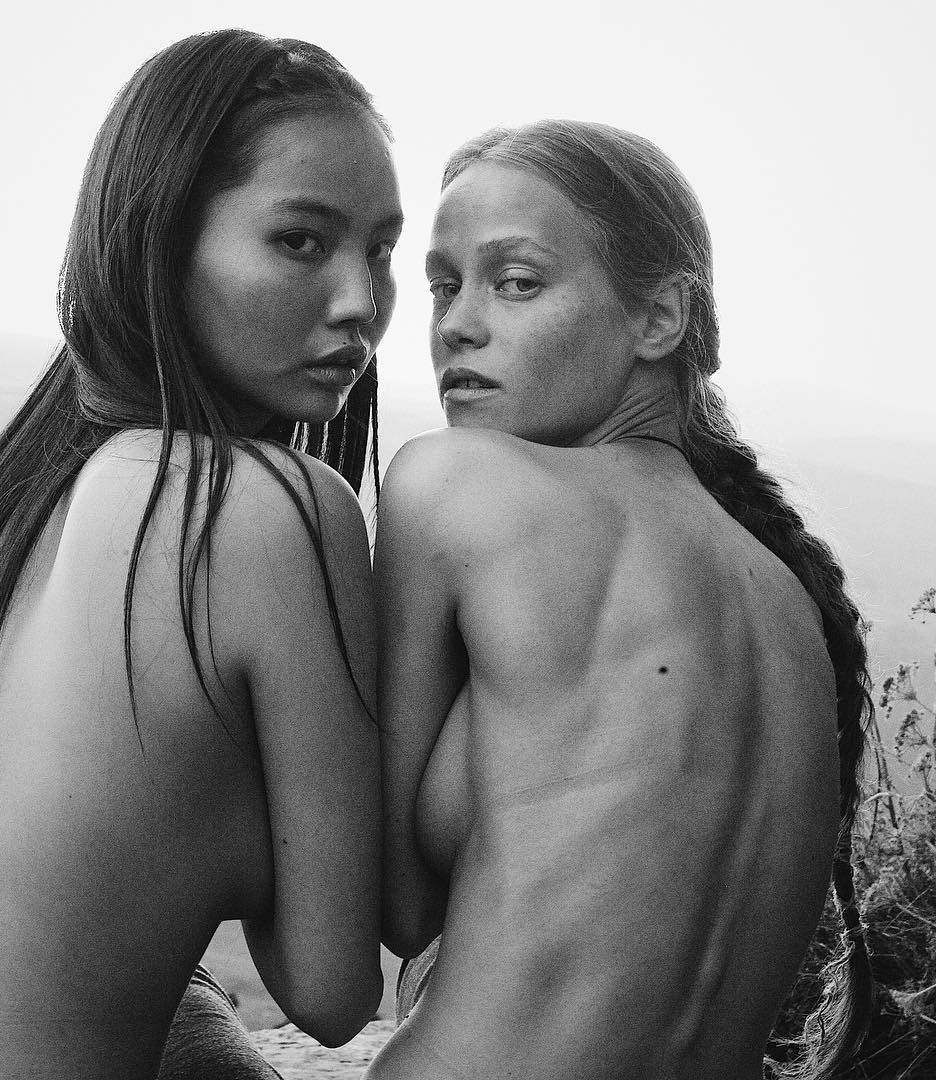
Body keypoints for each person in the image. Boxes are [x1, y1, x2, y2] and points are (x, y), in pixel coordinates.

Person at [0, 30, 402, 1080]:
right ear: (161, 245)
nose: (359, 302)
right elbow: (333, 990)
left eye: (380, 250)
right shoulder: (270, 508)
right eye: (300, 241)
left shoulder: (9, 503)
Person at [368, 121, 872, 1080]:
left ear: (659, 319)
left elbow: (395, 907)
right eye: (443, 285)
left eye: (517, 281)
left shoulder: (455, 485)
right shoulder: (789, 600)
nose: (458, 324)